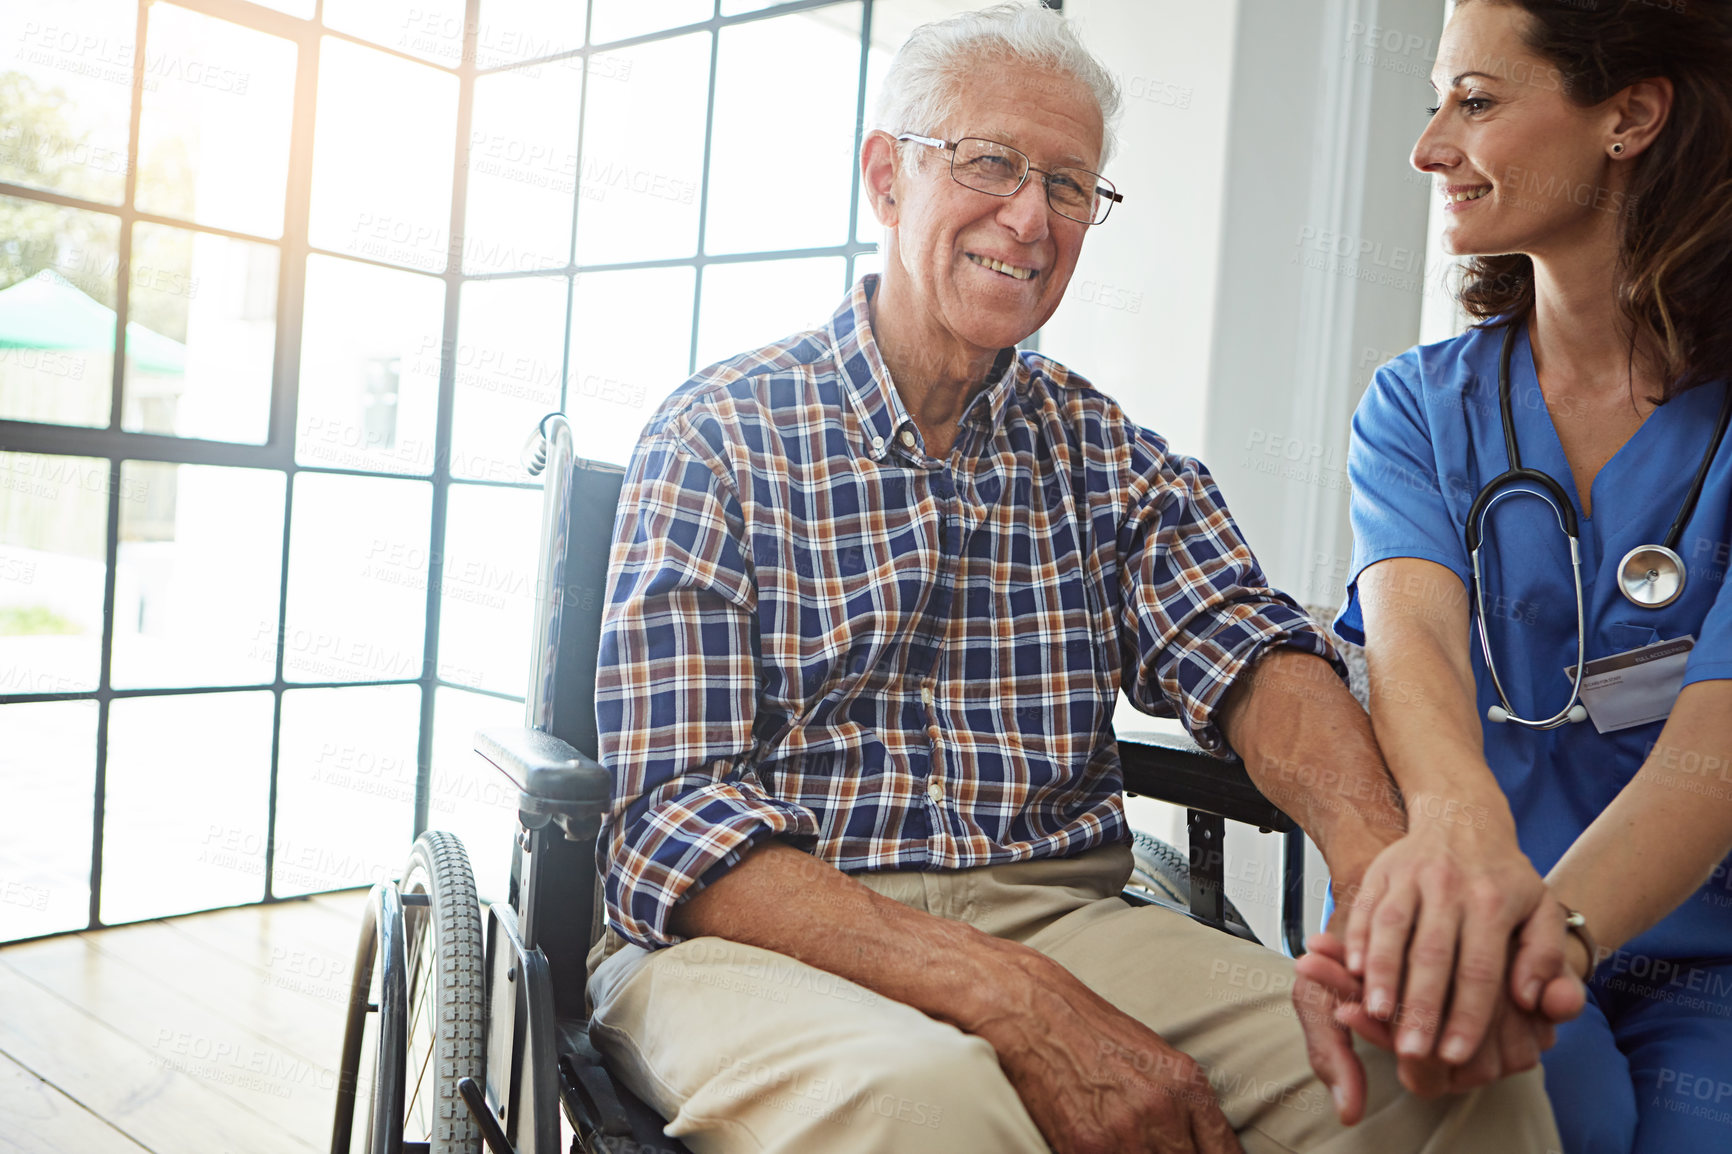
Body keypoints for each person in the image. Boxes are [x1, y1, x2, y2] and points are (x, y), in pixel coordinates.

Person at [588, 5, 1561, 1152]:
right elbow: (670, 817)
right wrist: (1009, 996)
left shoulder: (1108, 455)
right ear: (887, 178)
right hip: (756, 937)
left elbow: (1251, 654)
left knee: (1438, 1082)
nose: (1027, 217)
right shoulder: (718, 434)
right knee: (936, 1105)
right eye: (990, 162)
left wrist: (1377, 871)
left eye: (1067, 185)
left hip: (1061, 908)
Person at [1312, 1, 1732, 1152]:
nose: (1429, 146)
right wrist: (1465, 859)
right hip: (1472, 910)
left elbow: (1715, 752)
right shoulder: (1418, 406)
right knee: (1543, 1108)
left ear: (1630, 116)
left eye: (1477, 101)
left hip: (1695, 952)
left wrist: (1551, 929)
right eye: (1435, 101)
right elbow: (1416, 649)